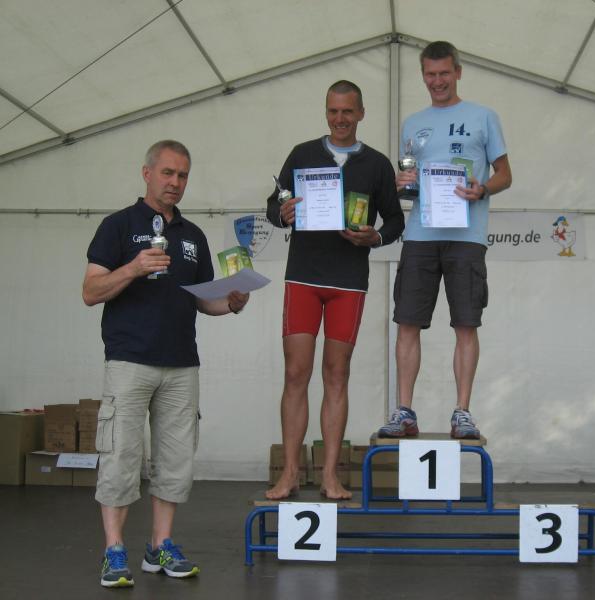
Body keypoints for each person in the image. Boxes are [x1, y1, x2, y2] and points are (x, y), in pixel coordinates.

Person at [82, 140, 249, 588]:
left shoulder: (193, 236)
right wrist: (133, 268)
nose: (175, 182)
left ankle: (160, 545)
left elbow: (203, 301)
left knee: (175, 461)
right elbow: (91, 291)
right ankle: (114, 550)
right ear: (147, 173)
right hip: (129, 359)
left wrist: (231, 303)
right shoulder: (118, 225)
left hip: (181, 363)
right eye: (168, 173)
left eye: (183, 175)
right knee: (120, 456)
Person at [265, 80, 404, 500]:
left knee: (337, 374)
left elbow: (395, 221)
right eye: (333, 111)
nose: (340, 119)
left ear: (361, 113)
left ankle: (329, 476)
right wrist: (284, 212)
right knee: (295, 373)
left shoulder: (377, 164)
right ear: (325, 112)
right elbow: (273, 205)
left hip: (348, 283)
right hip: (303, 278)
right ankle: (290, 473)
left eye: (347, 111)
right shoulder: (302, 154)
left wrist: (375, 238)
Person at [379, 41, 512, 440]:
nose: (437, 81)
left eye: (443, 73)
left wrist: (482, 188)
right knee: (407, 322)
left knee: (466, 324)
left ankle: (462, 413)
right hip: (421, 233)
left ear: (458, 72)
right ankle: (404, 412)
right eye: (430, 74)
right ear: (423, 75)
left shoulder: (483, 116)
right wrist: (404, 183)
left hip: (467, 236)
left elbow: (505, 174)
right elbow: (410, 184)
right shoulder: (412, 123)